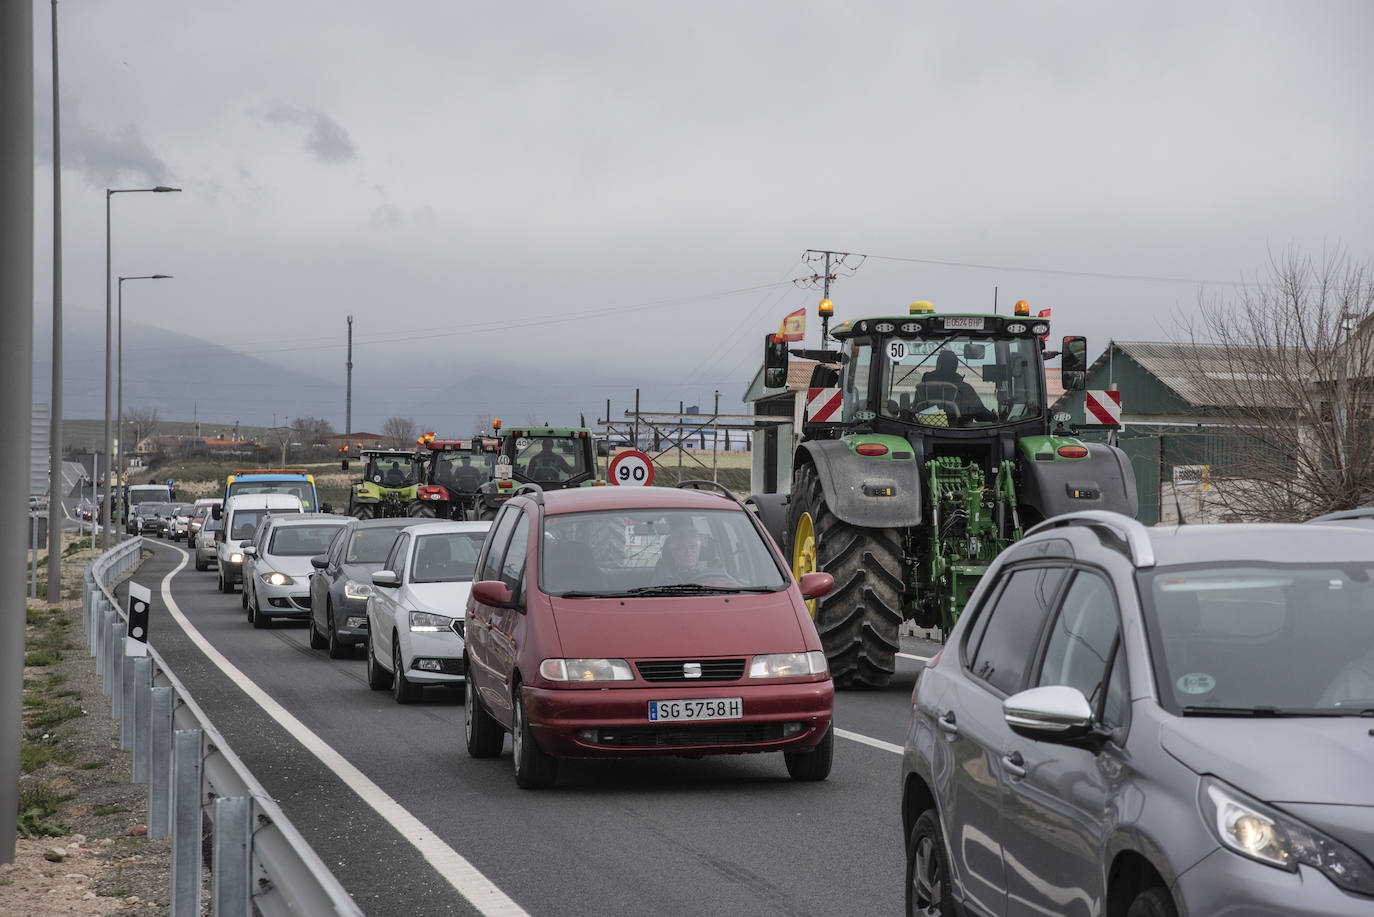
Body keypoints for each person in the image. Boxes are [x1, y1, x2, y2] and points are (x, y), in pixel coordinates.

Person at [918, 350, 987, 418]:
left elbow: (915, 410)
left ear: (938, 365)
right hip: (958, 428)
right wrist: (994, 417)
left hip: (921, 427)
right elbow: (980, 414)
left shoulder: (924, 386)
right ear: (955, 367)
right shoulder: (965, 388)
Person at [652, 526, 719, 584]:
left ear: (699, 550)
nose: (688, 553)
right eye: (682, 548)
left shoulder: (713, 572)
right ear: (673, 552)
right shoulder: (663, 574)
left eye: (693, 548)